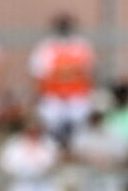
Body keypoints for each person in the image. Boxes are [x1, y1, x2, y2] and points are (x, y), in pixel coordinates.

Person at [29, 13, 96, 145]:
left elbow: (88, 72)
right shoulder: (46, 47)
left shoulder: (82, 46)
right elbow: (37, 75)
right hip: (53, 96)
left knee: (81, 121)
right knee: (49, 119)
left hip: (77, 96)